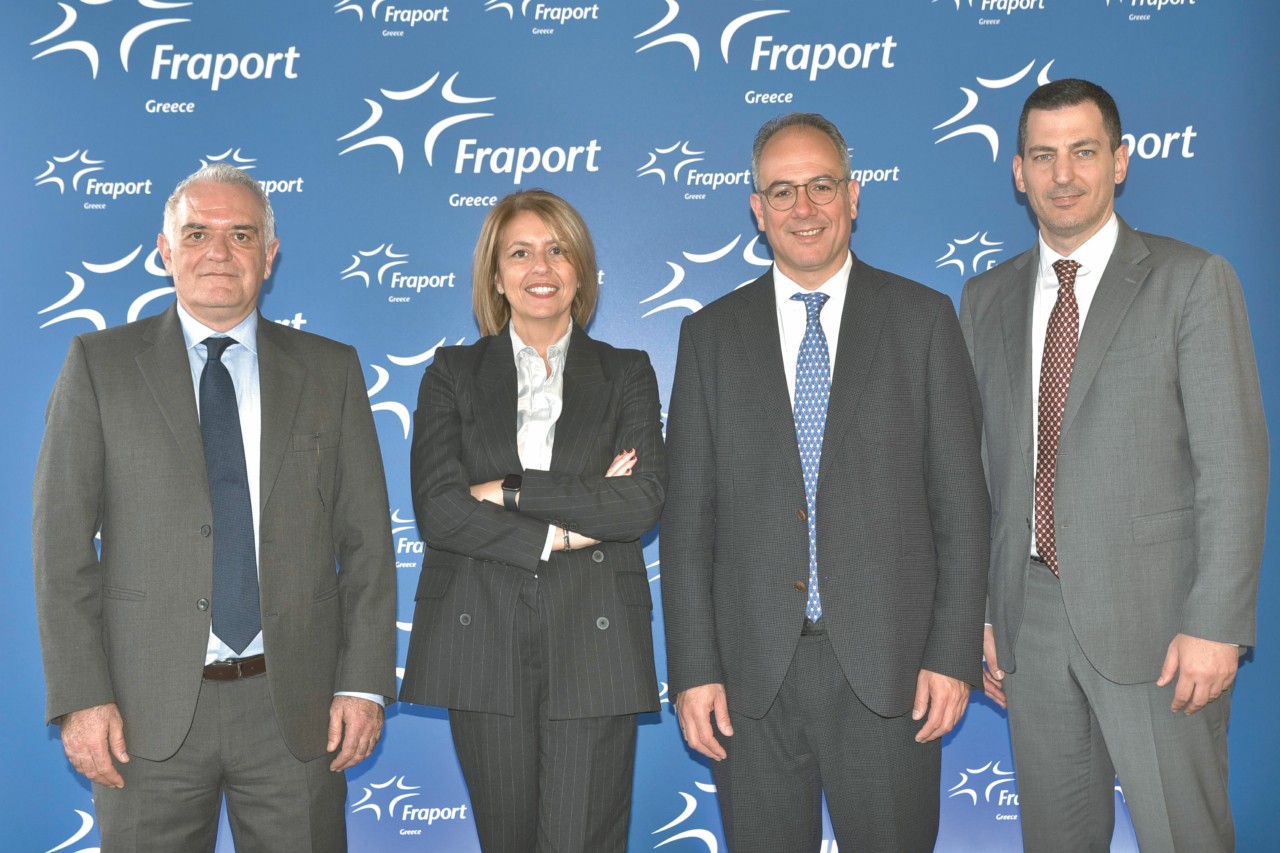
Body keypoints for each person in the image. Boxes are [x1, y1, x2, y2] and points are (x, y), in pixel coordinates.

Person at [32, 163, 397, 851]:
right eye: (197, 234)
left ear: (270, 253)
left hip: (297, 709)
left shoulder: (332, 370)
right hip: (142, 713)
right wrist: (81, 696)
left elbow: (369, 543)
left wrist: (364, 684)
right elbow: (61, 547)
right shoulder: (99, 366)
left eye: (241, 235)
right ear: (166, 251)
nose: (219, 252)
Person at [661, 112, 990, 852]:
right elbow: (687, 524)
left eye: (821, 186)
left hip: (893, 675)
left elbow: (963, 508)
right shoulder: (709, 336)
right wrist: (694, 669)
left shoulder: (922, 320)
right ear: (757, 208)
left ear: (853, 194)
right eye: (782, 191)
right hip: (751, 682)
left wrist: (951, 654)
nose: (802, 207)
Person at [960, 78, 1267, 852]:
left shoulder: (1191, 280)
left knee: (1184, 836)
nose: (1063, 174)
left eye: (1084, 152)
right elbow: (981, 471)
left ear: (1120, 162)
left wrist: (1215, 625)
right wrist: (985, 611)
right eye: (1043, 155)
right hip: (1029, 623)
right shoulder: (984, 298)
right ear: (1018, 172)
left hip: (1161, 624)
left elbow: (1233, 466)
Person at [399, 189, 667, 852]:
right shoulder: (452, 372)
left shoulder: (628, 372)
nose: (540, 267)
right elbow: (440, 510)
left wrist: (509, 489)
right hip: (481, 635)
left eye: (557, 250)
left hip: (595, 640)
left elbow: (640, 501)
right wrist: (566, 528)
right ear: (496, 275)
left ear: (581, 270)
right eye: (520, 252)